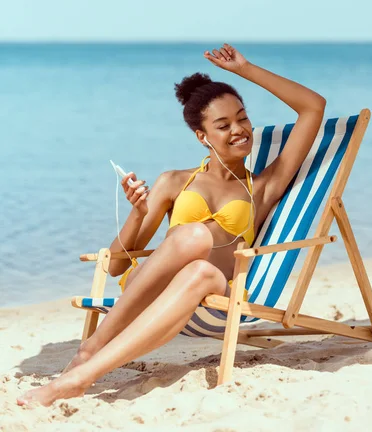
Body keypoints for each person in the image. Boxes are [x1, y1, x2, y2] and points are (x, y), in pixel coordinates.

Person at [17, 43, 326, 407]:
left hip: (212, 292)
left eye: (242, 118)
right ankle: (91, 352)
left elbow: (313, 107)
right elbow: (116, 264)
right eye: (223, 125)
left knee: (200, 268)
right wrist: (137, 213)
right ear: (202, 136)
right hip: (150, 293)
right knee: (193, 235)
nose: (239, 130)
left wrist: (245, 70)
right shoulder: (173, 181)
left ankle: (83, 370)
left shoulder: (262, 187)